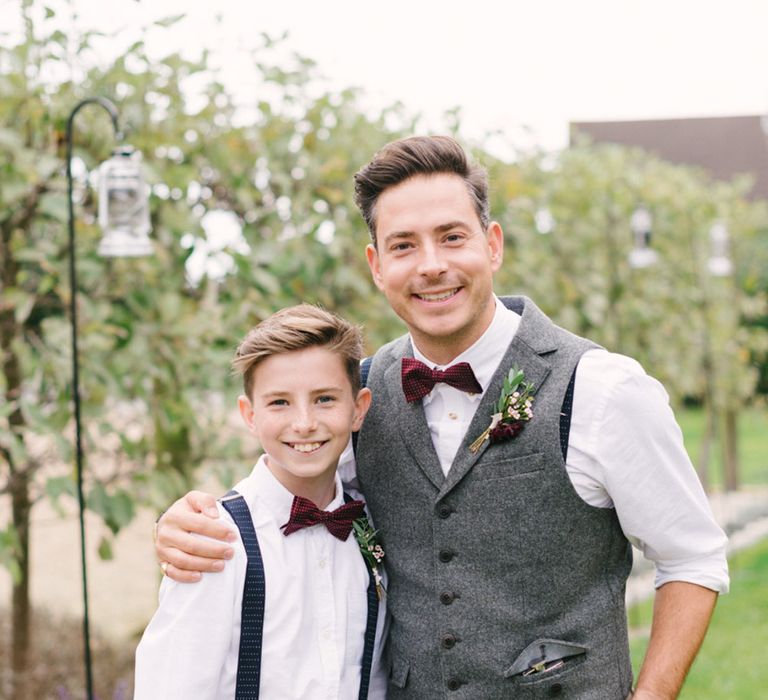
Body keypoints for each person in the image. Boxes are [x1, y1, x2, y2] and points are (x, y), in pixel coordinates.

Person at [154, 136, 728, 699]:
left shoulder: (603, 389)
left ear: (493, 245)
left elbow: (692, 557)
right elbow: (297, 490)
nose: (432, 265)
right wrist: (194, 520)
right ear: (377, 266)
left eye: (451, 238)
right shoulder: (357, 396)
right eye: (404, 246)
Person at [135, 304, 387, 699]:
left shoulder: (367, 530)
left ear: (358, 409)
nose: (303, 423)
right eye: (279, 402)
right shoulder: (214, 541)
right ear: (249, 415)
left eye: (324, 399)